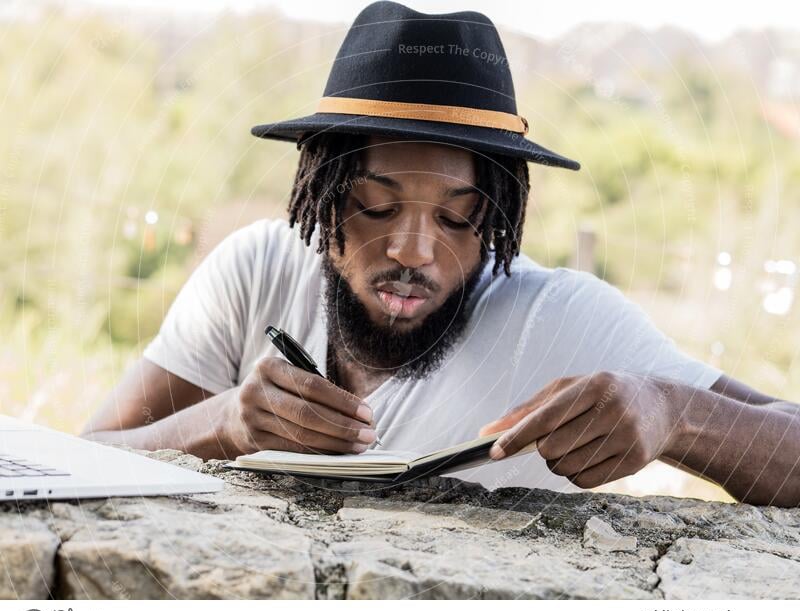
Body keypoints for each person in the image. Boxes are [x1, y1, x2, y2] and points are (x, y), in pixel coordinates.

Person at [82, 1, 800, 506]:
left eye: (459, 219)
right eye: (377, 205)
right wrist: (224, 425)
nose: (414, 251)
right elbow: (89, 454)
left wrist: (674, 413)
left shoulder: (555, 320)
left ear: (498, 222)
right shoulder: (256, 270)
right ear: (322, 192)